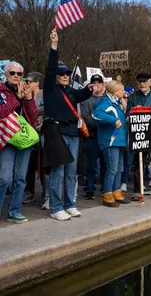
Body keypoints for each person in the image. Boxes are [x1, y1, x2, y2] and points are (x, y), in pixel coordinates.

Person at [43, 28, 93, 221]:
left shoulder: (71, 91)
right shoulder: (50, 89)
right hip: (57, 133)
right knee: (58, 172)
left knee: (71, 172)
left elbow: (83, 94)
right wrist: (54, 46)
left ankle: (70, 204)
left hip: (72, 133)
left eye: (67, 74)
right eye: (61, 74)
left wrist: (90, 88)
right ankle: (56, 207)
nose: (65, 76)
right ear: (55, 76)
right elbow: (50, 68)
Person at [0, 61, 38, 223]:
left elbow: (33, 117)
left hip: (24, 139)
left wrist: (28, 99)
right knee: (4, 177)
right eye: (12, 73)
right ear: (6, 75)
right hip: (7, 139)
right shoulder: (1, 91)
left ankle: (14, 211)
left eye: (19, 74)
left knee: (21, 177)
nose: (16, 76)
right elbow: (2, 112)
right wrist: (17, 98)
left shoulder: (25, 90)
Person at [126, 73, 151, 202]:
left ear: (150, 82)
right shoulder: (132, 97)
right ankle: (137, 190)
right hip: (140, 135)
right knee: (138, 164)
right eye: (140, 82)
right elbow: (127, 116)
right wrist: (134, 112)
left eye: (145, 81)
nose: (142, 84)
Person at [93, 80, 130, 207]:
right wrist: (113, 120)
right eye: (121, 90)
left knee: (119, 169)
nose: (123, 92)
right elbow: (96, 115)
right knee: (112, 169)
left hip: (119, 141)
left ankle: (116, 191)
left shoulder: (117, 104)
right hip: (110, 141)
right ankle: (107, 194)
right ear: (114, 91)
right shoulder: (106, 102)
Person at [80, 74, 106, 200]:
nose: (97, 85)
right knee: (90, 164)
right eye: (94, 83)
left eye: (99, 83)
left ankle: (105, 188)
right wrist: (103, 120)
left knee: (105, 164)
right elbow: (86, 118)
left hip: (105, 136)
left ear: (103, 84)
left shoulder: (107, 99)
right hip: (91, 136)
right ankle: (89, 188)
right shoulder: (86, 100)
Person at [23, 72, 45, 204]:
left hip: (42, 133)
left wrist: (35, 109)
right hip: (28, 134)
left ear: (36, 83)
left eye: (29, 81)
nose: (27, 83)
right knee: (29, 165)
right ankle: (28, 192)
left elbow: (46, 108)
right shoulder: (24, 94)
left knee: (43, 164)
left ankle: (45, 191)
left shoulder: (44, 94)